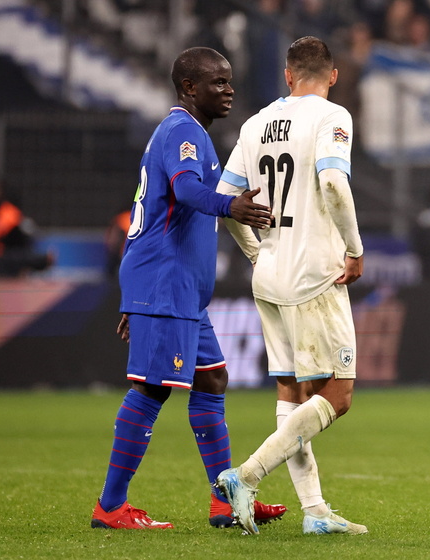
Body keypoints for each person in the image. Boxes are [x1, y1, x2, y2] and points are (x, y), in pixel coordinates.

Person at [90, 46, 286, 530]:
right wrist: (230, 206)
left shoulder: (189, 133)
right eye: (217, 82)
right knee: (152, 390)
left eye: (230, 80)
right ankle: (110, 506)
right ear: (189, 88)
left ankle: (225, 501)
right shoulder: (182, 131)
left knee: (212, 380)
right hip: (165, 286)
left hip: (174, 293)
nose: (229, 89)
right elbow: (182, 189)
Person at [214, 36, 367, 536]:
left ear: (287, 76)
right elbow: (333, 183)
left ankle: (315, 512)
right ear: (333, 75)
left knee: (293, 392)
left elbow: (224, 198)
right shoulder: (332, 117)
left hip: (270, 275)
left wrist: (257, 251)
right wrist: (355, 249)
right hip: (313, 275)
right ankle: (247, 475)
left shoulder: (256, 123)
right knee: (337, 395)